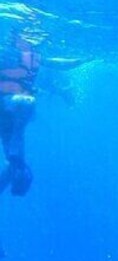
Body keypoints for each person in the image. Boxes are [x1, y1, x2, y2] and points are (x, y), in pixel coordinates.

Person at [0, 25, 88, 196]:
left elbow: (59, 63)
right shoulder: (8, 52)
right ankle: (16, 158)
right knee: (25, 104)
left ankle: (14, 167)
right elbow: (59, 64)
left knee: (15, 163)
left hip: (10, 112)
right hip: (10, 106)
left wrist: (83, 60)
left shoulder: (31, 56)